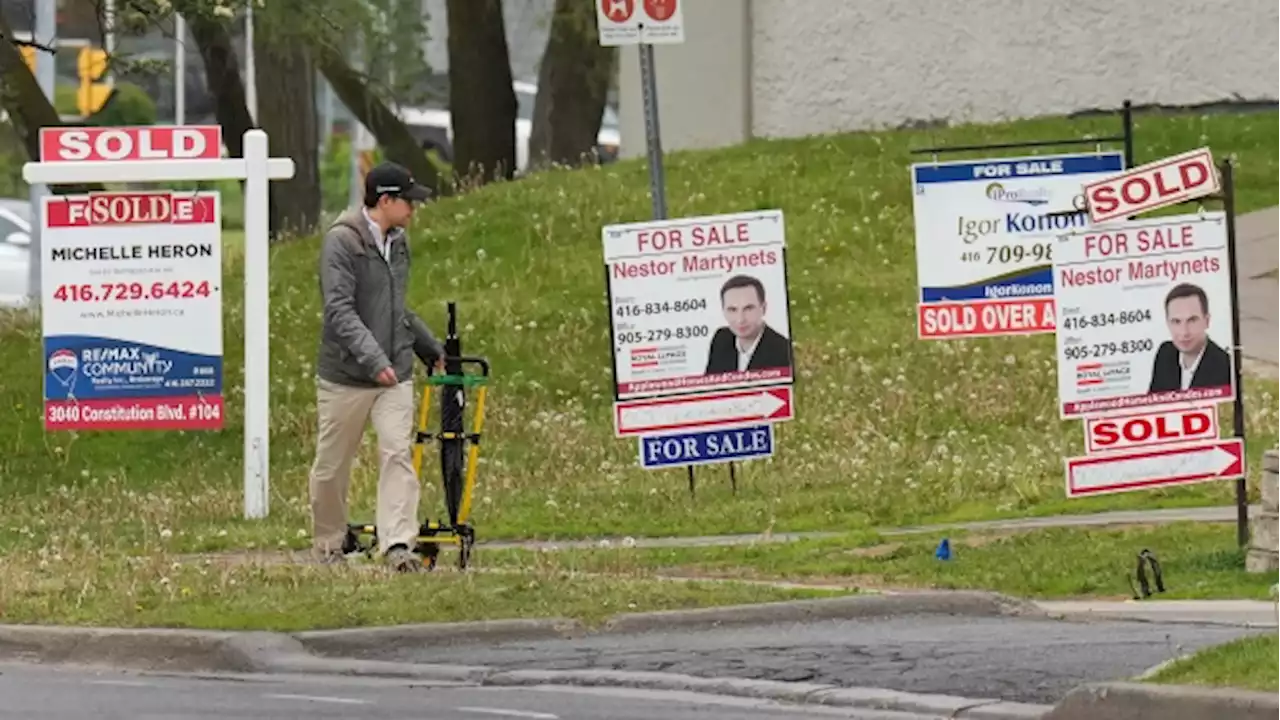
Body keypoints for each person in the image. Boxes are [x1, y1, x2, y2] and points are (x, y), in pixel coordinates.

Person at [309, 161, 446, 573]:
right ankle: (330, 545)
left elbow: (393, 306)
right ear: (384, 200)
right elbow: (339, 310)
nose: (413, 210)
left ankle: (397, 546)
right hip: (346, 376)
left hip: (395, 374)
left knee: (397, 454)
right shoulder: (343, 242)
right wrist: (374, 360)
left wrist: (427, 346)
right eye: (408, 201)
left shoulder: (399, 242)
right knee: (332, 466)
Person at [1147, 282, 1232, 393]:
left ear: (1207, 321)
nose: (1184, 332)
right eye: (1176, 321)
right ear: (1168, 323)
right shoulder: (1165, 353)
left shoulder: (1225, 366)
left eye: (1192, 320)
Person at [704, 274, 791, 374]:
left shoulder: (783, 351)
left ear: (763, 308)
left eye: (748, 308)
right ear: (723, 311)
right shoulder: (721, 338)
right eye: (732, 310)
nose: (740, 319)